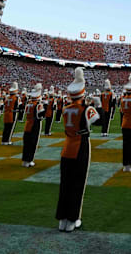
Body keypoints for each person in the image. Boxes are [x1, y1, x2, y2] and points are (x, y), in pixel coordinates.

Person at [56, 67, 101, 232]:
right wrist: (99, 105)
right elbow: (99, 121)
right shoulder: (86, 109)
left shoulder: (65, 109)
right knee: (77, 184)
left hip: (66, 147)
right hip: (80, 146)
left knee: (65, 185)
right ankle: (73, 219)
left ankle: (62, 219)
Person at [21, 84, 45, 168]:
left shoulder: (28, 104)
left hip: (27, 124)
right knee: (32, 143)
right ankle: (29, 160)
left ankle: (24, 160)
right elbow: (41, 115)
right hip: (34, 125)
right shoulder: (38, 104)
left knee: (26, 143)